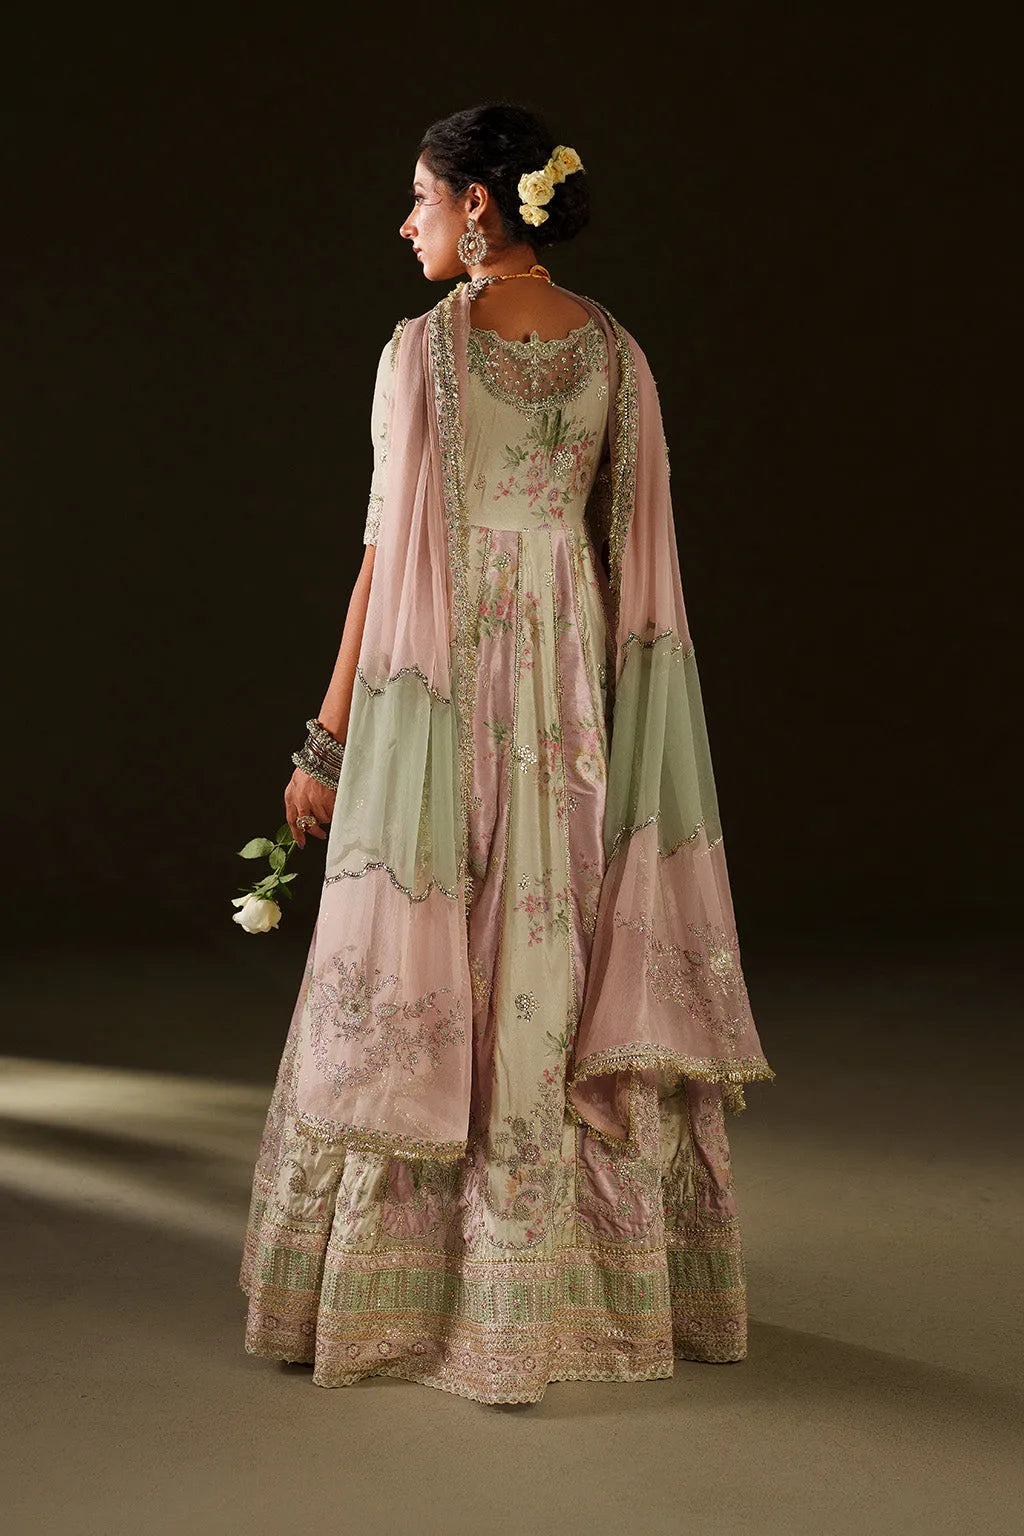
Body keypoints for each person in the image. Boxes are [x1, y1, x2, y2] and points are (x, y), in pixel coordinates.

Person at [238, 102, 774, 1407]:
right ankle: (566, 1276)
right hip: (576, 691)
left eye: (421, 197)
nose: (406, 221)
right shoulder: (616, 353)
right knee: (558, 931)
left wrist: (326, 738)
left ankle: (422, 1290)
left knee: (440, 925)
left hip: (441, 687)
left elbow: (383, 561)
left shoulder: (419, 354)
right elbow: (637, 560)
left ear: (479, 204)